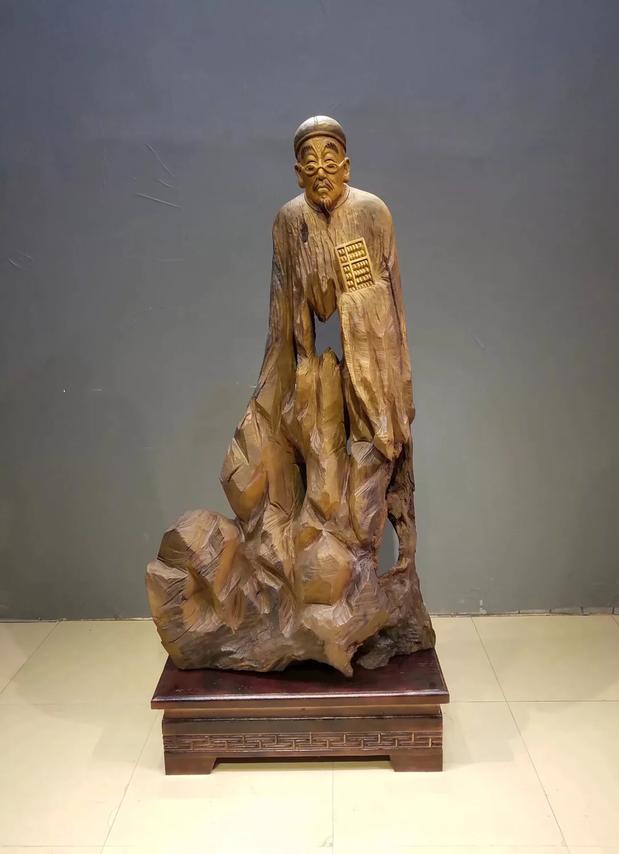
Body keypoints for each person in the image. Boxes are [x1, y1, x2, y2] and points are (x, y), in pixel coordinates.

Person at [147, 117, 435, 675]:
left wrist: (395, 383)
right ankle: (304, 603)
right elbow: (284, 308)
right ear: (297, 173)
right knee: (299, 458)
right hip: (313, 373)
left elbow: (393, 302)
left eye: (331, 161)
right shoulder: (288, 221)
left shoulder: (372, 213)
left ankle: (370, 608)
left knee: (368, 480)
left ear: (346, 167)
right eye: (310, 164)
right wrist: (276, 390)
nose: (321, 172)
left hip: (372, 368)